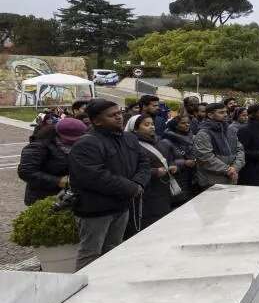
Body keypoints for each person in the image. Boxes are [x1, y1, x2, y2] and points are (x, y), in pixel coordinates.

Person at [68, 99, 150, 269]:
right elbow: (95, 176)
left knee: (114, 251)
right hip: (96, 210)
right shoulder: (86, 143)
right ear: (97, 120)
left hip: (121, 205)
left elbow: (144, 163)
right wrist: (131, 188)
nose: (119, 117)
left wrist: (139, 183)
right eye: (112, 115)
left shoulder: (129, 138)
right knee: (91, 254)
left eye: (119, 113)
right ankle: (83, 289)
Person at [123, 114, 174, 238]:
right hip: (146, 193)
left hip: (162, 190)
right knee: (148, 226)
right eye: (146, 125)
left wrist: (173, 165)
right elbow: (131, 170)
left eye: (152, 124)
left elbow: (168, 158)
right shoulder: (131, 145)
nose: (151, 127)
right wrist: (155, 172)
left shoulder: (158, 141)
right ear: (134, 129)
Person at [18, 117, 86, 206]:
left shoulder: (83, 146)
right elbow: (26, 171)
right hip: (43, 198)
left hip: (71, 197)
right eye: (70, 139)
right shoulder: (38, 147)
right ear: (58, 133)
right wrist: (58, 181)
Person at [193, 102, 244, 189]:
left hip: (231, 177)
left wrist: (235, 167)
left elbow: (240, 150)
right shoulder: (204, 133)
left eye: (226, 112)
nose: (225, 115)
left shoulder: (229, 130)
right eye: (221, 112)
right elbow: (206, 157)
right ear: (210, 115)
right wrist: (228, 170)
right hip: (212, 181)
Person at [159, 115, 197, 205]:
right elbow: (165, 161)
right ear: (175, 125)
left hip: (192, 176)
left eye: (188, 123)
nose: (187, 125)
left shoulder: (191, 137)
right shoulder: (166, 141)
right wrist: (184, 163)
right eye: (183, 123)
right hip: (178, 177)